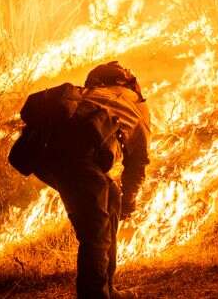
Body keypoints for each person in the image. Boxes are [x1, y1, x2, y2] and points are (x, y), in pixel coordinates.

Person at [35, 61, 151, 299]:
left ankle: (108, 289)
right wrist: (130, 199)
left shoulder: (86, 94)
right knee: (96, 232)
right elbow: (137, 162)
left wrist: (122, 199)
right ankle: (96, 295)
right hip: (80, 160)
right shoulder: (134, 103)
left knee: (110, 200)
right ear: (128, 82)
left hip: (43, 155)